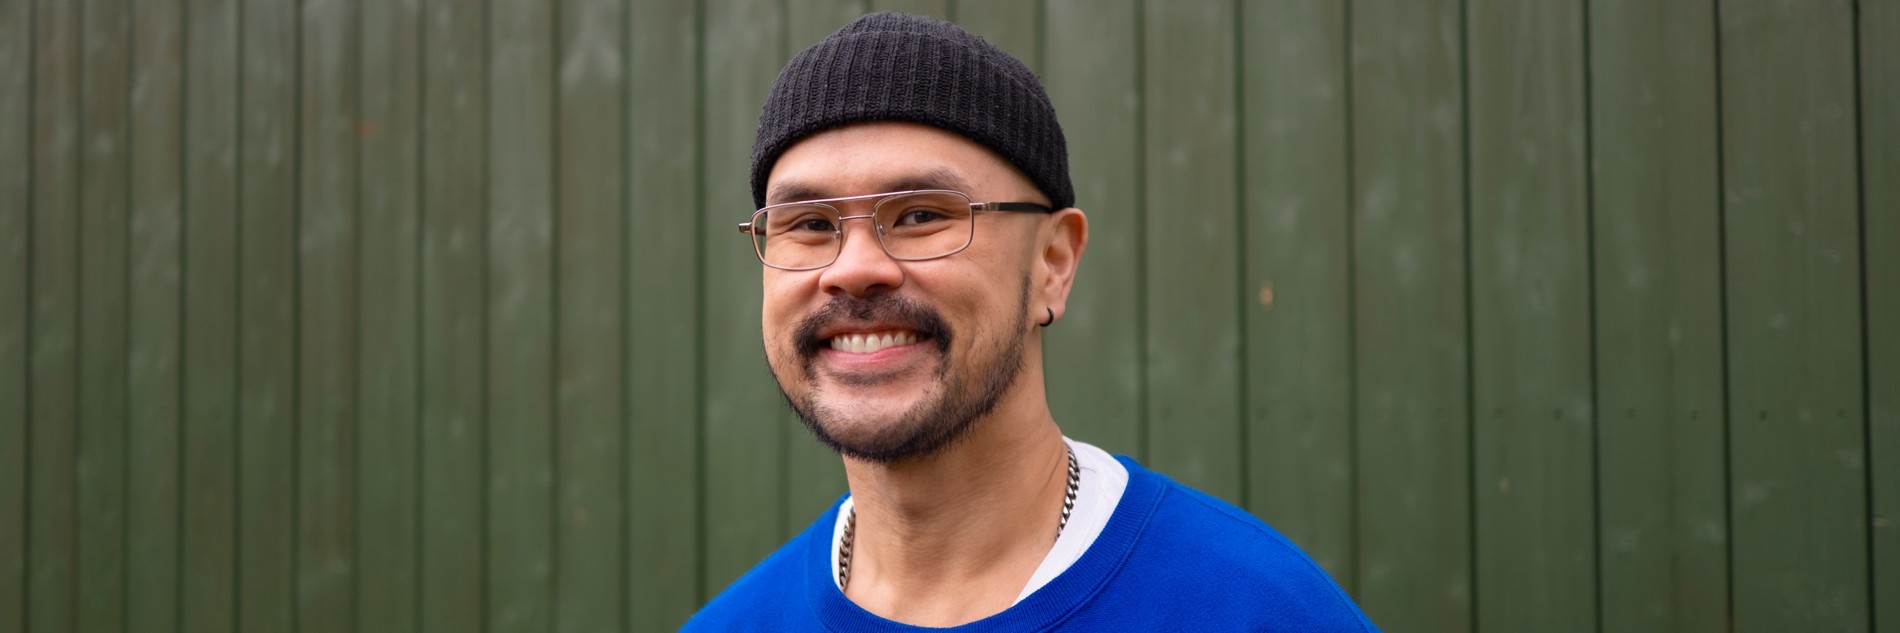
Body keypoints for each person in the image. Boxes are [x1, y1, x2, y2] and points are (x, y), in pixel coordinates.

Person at [684, 12, 1376, 631]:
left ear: (1053, 263)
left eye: (922, 214)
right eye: (809, 224)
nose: (854, 267)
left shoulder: (1255, 609)